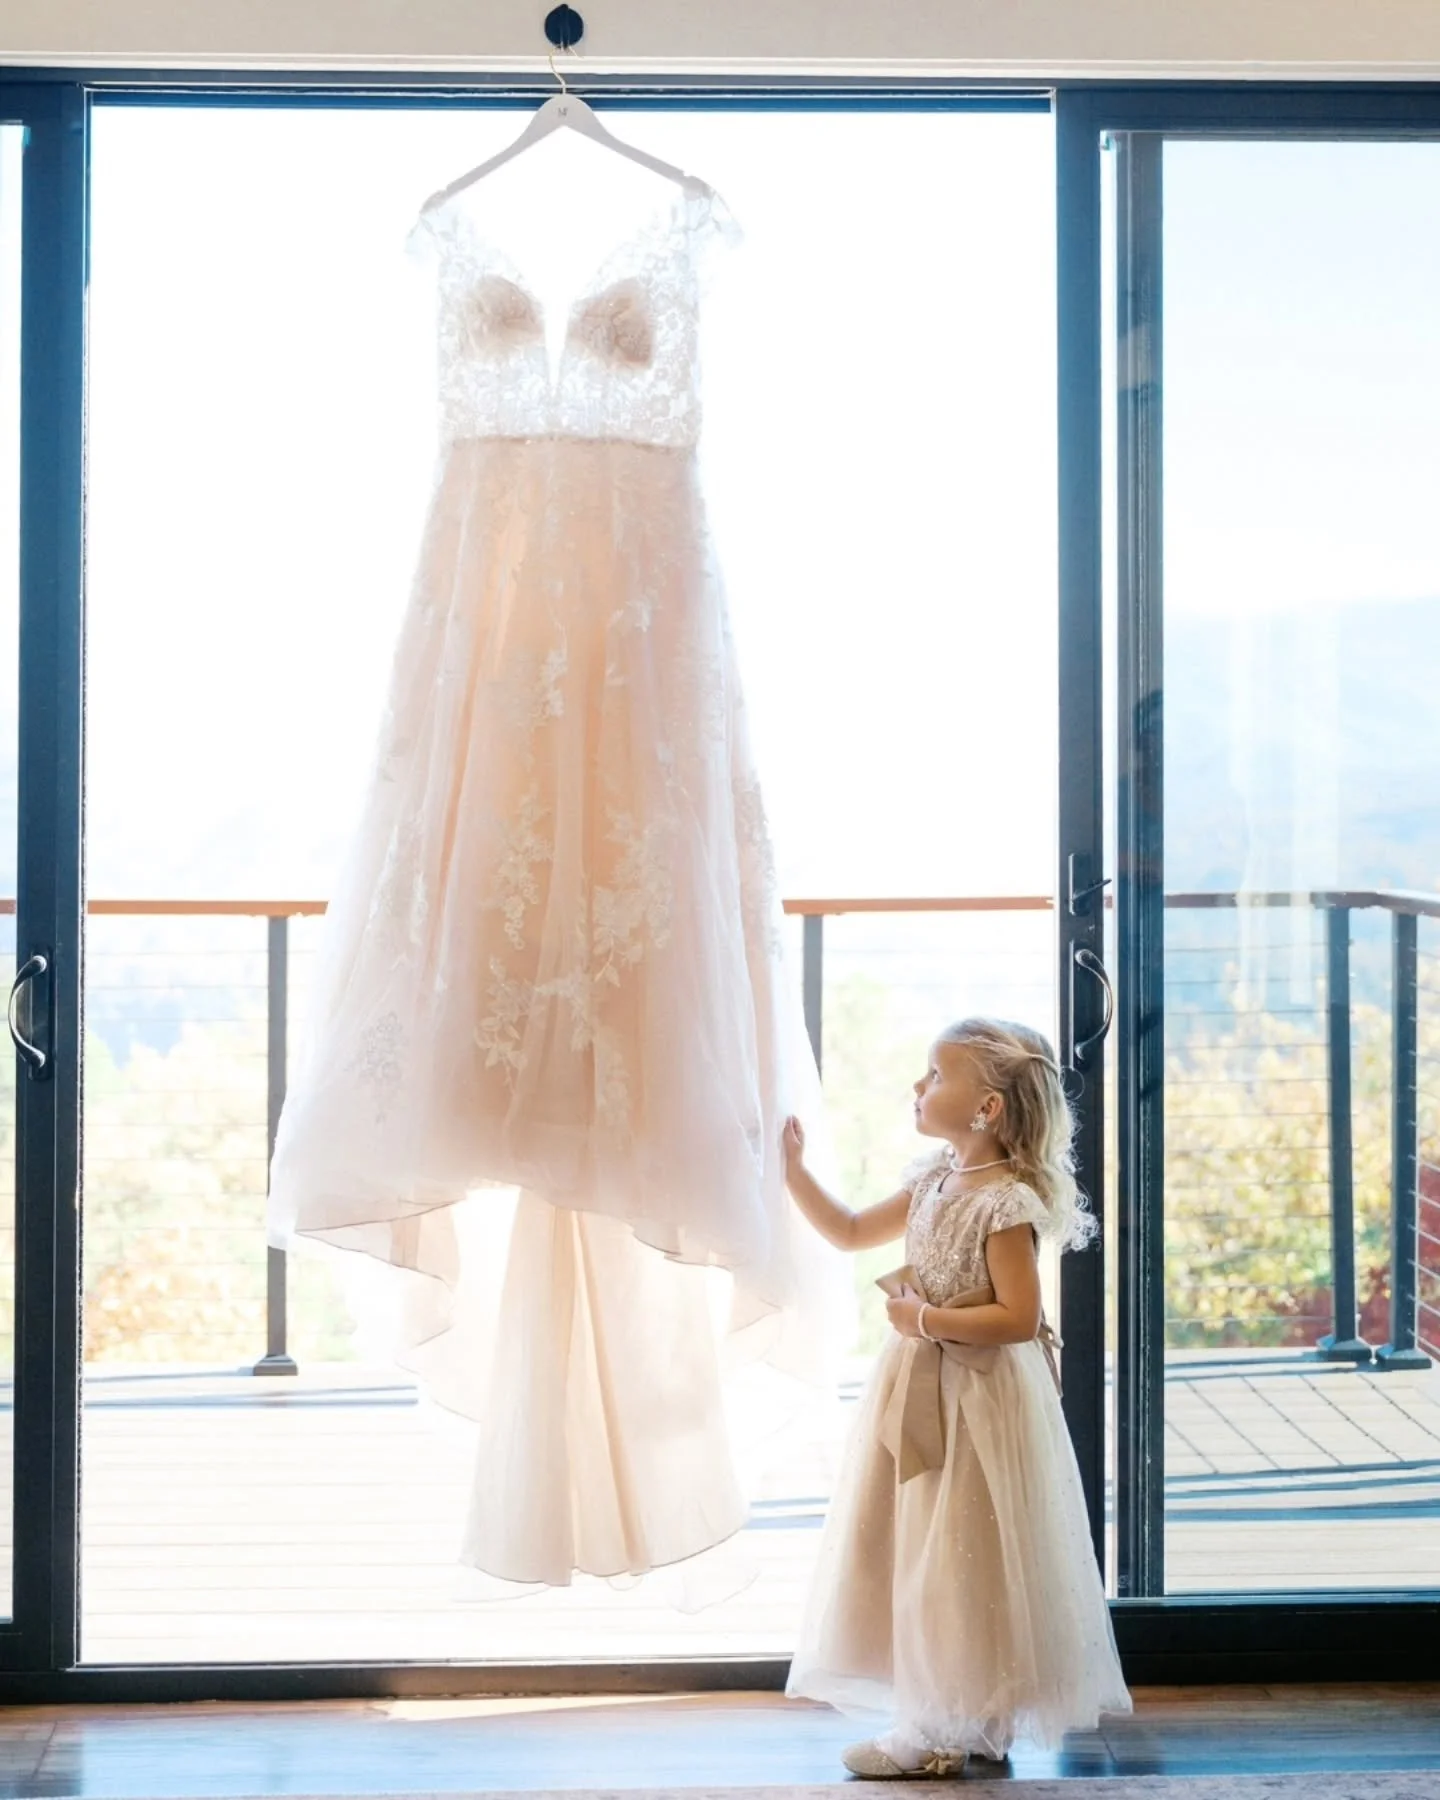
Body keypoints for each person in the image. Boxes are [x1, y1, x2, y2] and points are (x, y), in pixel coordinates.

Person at [782, 1016, 1131, 1777]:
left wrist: (924, 1319)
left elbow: (1017, 1318)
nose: (919, 1085)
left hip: (979, 1399)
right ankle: (954, 1712)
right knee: (925, 1549)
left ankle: (948, 1727)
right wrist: (794, 1173)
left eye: (936, 1074)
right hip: (920, 1388)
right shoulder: (931, 1180)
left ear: (988, 1108)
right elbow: (845, 1231)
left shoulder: (1003, 1201)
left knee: (966, 1552)